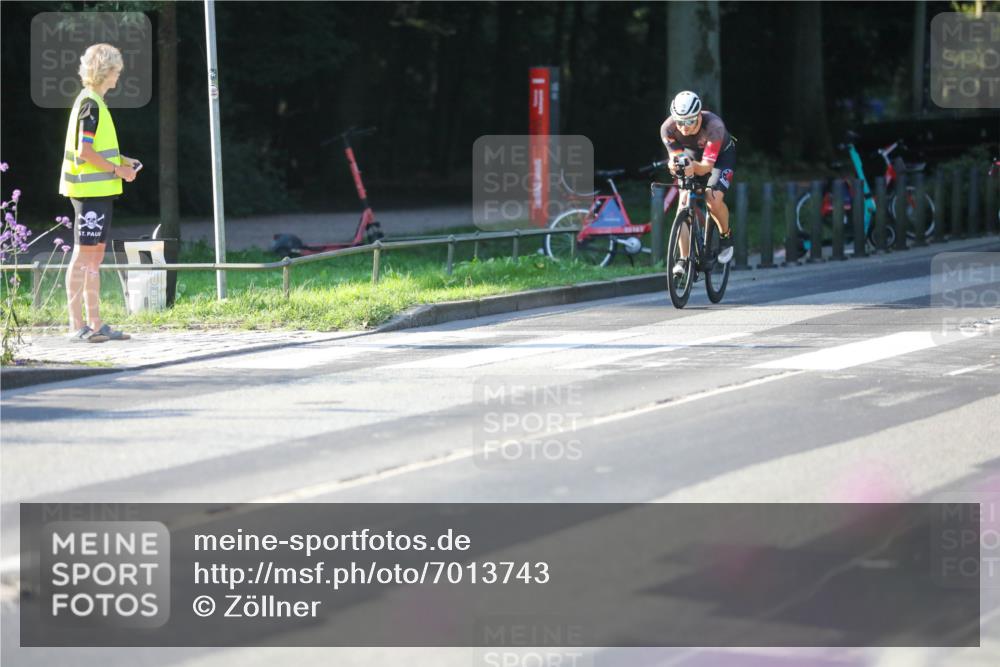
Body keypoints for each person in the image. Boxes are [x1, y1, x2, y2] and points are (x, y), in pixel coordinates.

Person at [60, 43, 140, 343]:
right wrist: (118, 170)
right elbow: (86, 151)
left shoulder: (95, 102)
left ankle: (95, 323)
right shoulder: (91, 104)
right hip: (89, 192)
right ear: (105, 71)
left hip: (99, 191)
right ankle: (77, 325)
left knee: (94, 257)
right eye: (116, 71)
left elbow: (96, 151)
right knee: (84, 256)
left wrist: (122, 161)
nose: (118, 77)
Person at [659, 90, 737, 276]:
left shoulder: (714, 127)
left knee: (713, 198)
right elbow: (676, 157)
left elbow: (705, 168)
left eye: (689, 121)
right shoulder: (667, 128)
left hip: (720, 157)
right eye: (680, 121)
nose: (684, 127)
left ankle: (726, 236)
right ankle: (683, 260)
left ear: (699, 115)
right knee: (683, 203)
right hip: (693, 154)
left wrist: (689, 165)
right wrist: (674, 164)